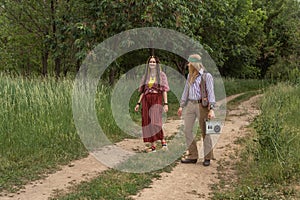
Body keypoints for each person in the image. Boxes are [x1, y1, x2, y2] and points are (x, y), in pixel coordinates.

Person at [177, 54, 216, 166]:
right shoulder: (190, 76)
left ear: (194, 64)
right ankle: (193, 155)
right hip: (190, 104)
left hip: (202, 105)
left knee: (205, 131)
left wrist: (211, 108)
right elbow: (186, 91)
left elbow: (211, 93)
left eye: (190, 63)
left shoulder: (206, 76)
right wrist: (181, 105)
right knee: (187, 130)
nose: (188, 65)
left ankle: (208, 157)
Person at [135, 56, 169, 152]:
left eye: (154, 62)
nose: (152, 63)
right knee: (147, 121)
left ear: (157, 64)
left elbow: (164, 91)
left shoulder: (161, 75)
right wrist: (138, 103)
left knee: (155, 121)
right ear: (148, 63)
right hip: (146, 99)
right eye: (151, 62)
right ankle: (153, 145)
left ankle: (163, 141)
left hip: (156, 98)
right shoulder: (145, 76)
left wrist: (166, 103)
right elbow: (143, 92)